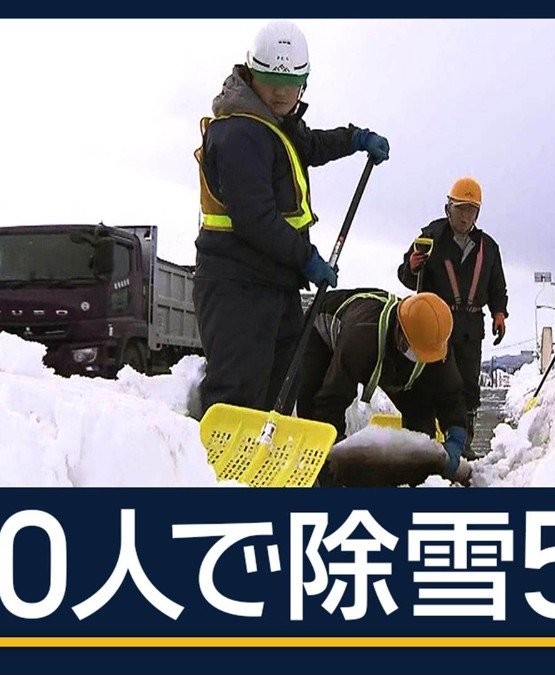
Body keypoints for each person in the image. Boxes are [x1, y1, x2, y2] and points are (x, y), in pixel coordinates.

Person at [193, 20, 390, 416]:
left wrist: (353, 139)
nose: (282, 92)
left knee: (280, 387)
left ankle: (265, 472)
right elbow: (255, 220)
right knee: (239, 395)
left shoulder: (272, 121)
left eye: (292, 83)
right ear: (251, 75)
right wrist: (306, 258)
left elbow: (310, 145)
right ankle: (218, 475)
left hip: (272, 280)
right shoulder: (239, 134)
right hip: (238, 285)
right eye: (271, 81)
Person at [296, 289, 469, 481]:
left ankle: (420, 482)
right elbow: (332, 398)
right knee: (313, 408)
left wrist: (456, 434)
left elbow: (451, 393)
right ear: (399, 331)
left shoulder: (434, 341)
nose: (417, 358)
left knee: (420, 409)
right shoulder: (361, 336)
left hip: (386, 354)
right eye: (412, 351)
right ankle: (316, 473)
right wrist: (336, 458)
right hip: (322, 332)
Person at [396, 177, 508, 458]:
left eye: (470, 210)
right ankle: (427, 439)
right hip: (435, 324)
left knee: (467, 385)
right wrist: (411, 267)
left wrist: (499, 313)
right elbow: (406, 277)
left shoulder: (489, 248)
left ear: (477, 213)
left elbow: (497, 286)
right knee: (431, 381)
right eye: (459, 209)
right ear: (448, 208)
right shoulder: (430, 237)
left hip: (471, 327)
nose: (464, 216)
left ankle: (463, 443)